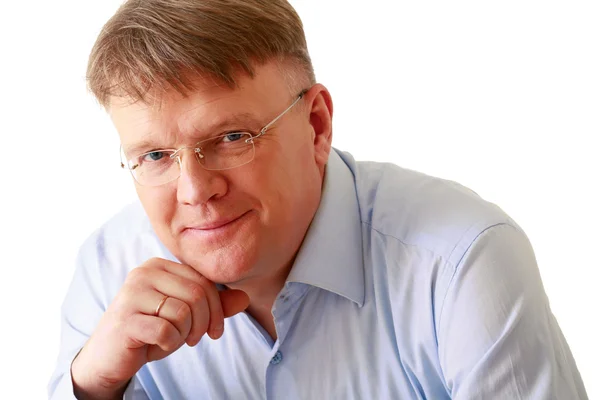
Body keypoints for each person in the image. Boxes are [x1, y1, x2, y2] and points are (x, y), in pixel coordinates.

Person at [48, 0, 588, 399]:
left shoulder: (459, 264)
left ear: (316, 124)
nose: (194, 191)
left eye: (233, 138)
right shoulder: (107, 272)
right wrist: (95, 384)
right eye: (155, 156)